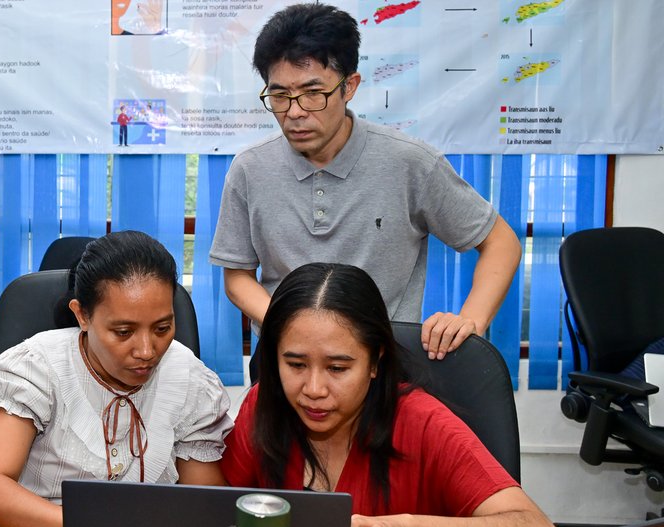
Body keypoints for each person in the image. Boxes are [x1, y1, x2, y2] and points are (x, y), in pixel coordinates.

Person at [210, 3, 522, 360]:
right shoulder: (250, 168)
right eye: (280, 95)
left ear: (350, 87)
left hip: (385, 364)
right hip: (284, 361)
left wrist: (471, 321)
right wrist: (296, 329)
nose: (295, 112)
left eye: (313, 93)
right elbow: (237, 277)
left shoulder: (410, 162)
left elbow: (501, 242)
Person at [219, 262, 560, 527]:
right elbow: (212, 517)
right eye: (295, 365)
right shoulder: (263, 404)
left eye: (337, 368)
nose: (314, 388)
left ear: (375, 361)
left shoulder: (422, 422)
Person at [0, 231, 232, 527]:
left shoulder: (190, 380)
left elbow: (204, 505)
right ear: (82, 315)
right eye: (123, 331)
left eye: (162, 328)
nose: (147, 350)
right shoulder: (37, 366)